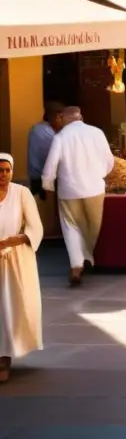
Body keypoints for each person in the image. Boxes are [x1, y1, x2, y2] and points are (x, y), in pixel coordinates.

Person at [41, 107, 114, 287]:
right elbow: (108, 160)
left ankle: (76, 265)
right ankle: (88, 257)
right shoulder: (97, 133)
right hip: (95, 188)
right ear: (80, 117)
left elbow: (51, 164)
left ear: (63, 118)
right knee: (93, 225)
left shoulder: (60, 137)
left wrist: (47, 183)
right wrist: (100, 175)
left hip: (69, 190)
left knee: (71, 226)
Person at [0, 153, 44, 383]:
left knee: (11, 306)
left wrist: (16, 240)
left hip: (15, 259)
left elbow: (35, 227)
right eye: (0, 171)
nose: (4, 175)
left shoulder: (22, 193)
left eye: (7, 170)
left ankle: (4, 357)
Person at [27, 102, 63, 199]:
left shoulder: (44, 128)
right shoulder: (43, 131)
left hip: (41, 179)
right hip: (41, 181)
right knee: (46, 211)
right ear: (53, 117)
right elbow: (58, 156)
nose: (63, 121)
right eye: (60, 117)